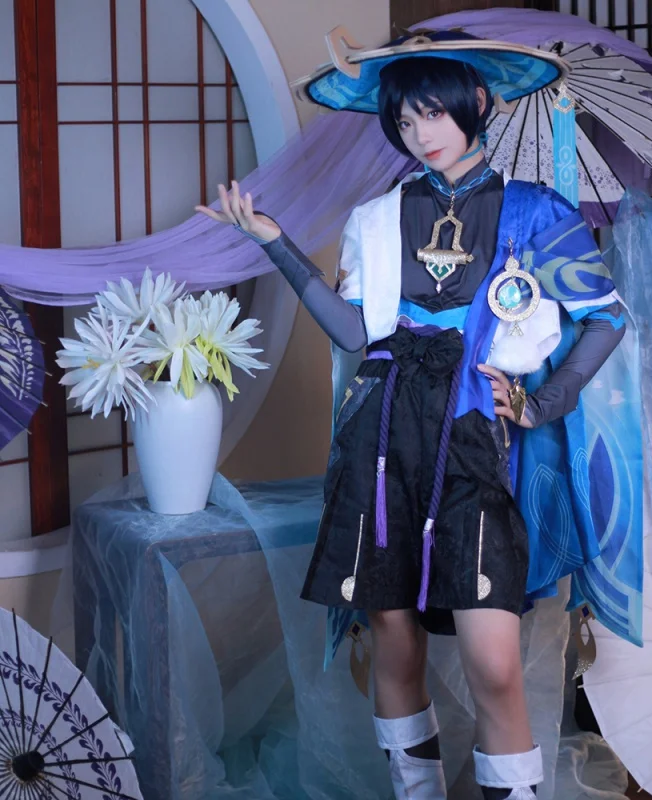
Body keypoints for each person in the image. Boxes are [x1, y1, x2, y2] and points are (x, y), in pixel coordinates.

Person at [198, 30, 628, 800]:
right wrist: (276, 244)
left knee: (494, 665)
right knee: (393, 644)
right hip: (383, 435)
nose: (420, 135)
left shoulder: (538, 212)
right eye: (403, 121)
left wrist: (540, 402)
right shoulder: (377, 216)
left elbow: (605, 319)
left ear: (478, 102)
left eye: (433, 113)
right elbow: (355, 334)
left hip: (476, 440)